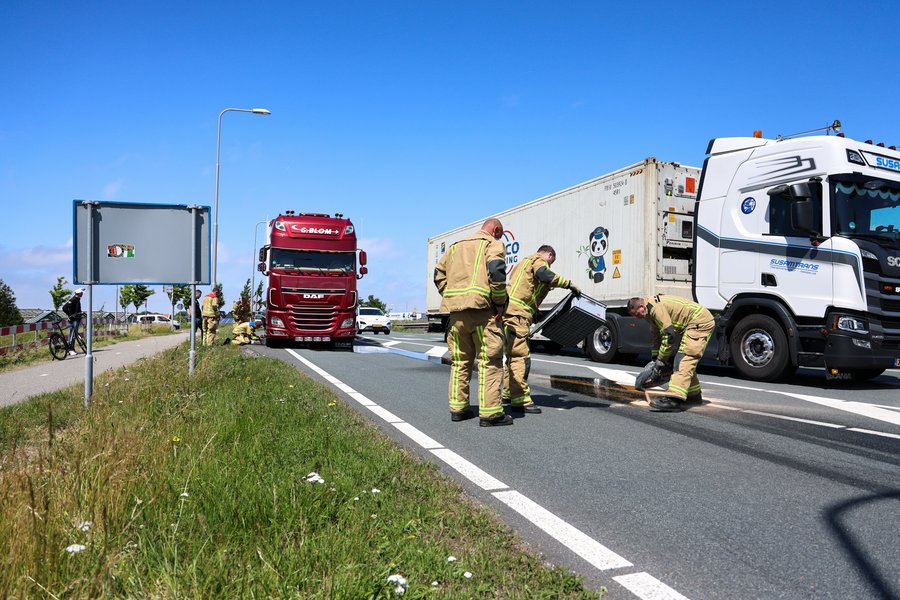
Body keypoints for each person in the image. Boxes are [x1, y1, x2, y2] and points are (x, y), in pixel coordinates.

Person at [434, 218, 511, 426]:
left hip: (456, 316)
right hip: (483, 314)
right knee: (490, 361)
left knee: (460, 362)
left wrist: (452, 296)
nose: (499, 238)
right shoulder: (492, 243)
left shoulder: (454, 247)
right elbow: (497, 271)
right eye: (499, 234)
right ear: (495, 230)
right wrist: (499, 303)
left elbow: (438, 275)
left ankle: (458, 409)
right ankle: (491, 414)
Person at [502, 245, 579, 413]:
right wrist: (568, 284)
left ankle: (508, 392)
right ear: (549, 254)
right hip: (518, 315)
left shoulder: (523, 263)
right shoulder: (539, 260)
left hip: (509, 312)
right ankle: (520, 399)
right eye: (552, 261)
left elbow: (526, 290)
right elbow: (544, 275)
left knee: (511, 356)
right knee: (521, 358)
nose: (550, 264)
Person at [626, 294, 715, 412]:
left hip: (700, 322)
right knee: (685, 363)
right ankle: (694, 396)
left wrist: (661, 360)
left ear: (641, 306)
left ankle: (674, 400)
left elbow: (669, 335)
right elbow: (656, 335)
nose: (637, 318)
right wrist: (655, 359)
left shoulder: (655, 309)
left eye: (636, 314)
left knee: (684, 360)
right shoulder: (649, 312)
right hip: (695, 322)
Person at [61, 288, 85, 356]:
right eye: (81, 293)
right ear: (79, 294)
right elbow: (64, 308)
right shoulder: (73, 300)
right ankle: (71, 349)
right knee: (73, 334)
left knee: (73, 334)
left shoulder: (77, 300)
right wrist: (70, 315)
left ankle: (71, 349)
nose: (82, 294)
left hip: (76, 319)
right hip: (74, 319)